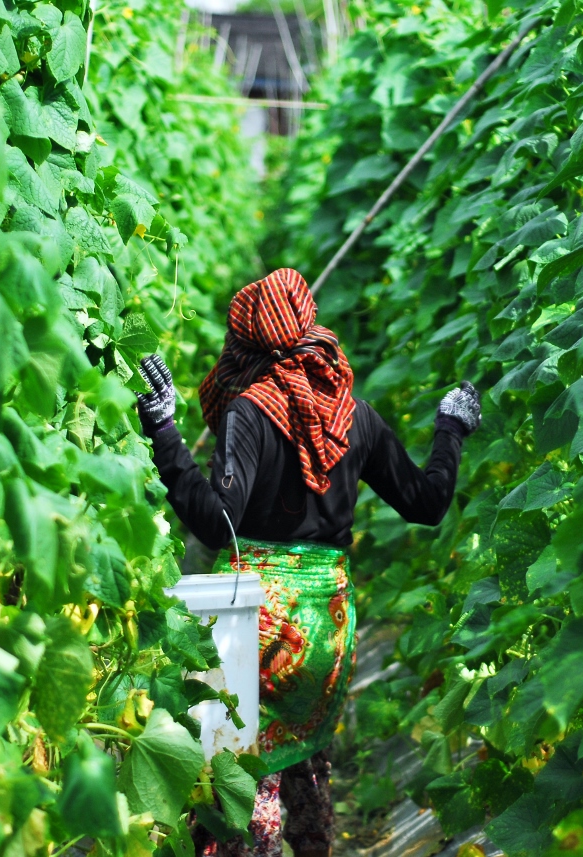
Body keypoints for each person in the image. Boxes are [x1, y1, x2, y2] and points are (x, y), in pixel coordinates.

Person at [135, 268, 481, 857]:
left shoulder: (252, 410)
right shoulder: (353, 415)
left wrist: (164, 432)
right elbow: (426, 503)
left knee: (238, 773)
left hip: (256, 613)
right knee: (305, 758)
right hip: (326, 619)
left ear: (246, 342)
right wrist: (450, 427)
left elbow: (217, 523)